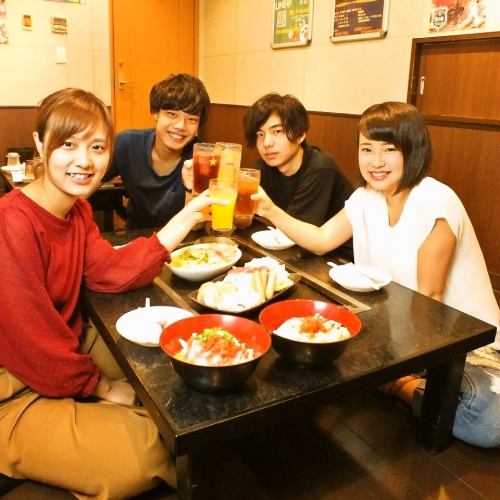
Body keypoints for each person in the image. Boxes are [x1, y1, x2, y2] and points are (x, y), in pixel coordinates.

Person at [0, 88, 221, 498]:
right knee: (150, 447)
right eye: (68, 144)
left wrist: (188, 216)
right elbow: (33, 343)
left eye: (97, 147)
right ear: (39, 144)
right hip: (13, 388)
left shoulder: (77, 210)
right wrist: (102, 388)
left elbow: (109, 272)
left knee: (161, 369)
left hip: (62, 351)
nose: (85, 161)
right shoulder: (12, 223)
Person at [255, 101, 500, 448]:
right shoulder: (365, 197)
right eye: (367, 149)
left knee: (486, 422)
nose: (376, 162)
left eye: (390, 150)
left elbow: (430, 300)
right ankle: (414, 390)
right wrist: (269, 209)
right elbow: (322, 239)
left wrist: (396, 367)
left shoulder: (436, 201)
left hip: (464, 347)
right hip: (399, 335)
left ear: (413, 150)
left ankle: (401, 386)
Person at [104, 73, 210, 229]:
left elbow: (198, 226)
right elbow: (90, 182)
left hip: (184, 240)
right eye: (172, 114)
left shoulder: (203, 158)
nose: (181, 126)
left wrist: (190, 189)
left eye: (192, 119)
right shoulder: (126, 144)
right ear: (155, 112)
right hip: (137, 237)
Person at [244, 93, 354, 227]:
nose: (266, 143)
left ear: (300, 135)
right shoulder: (263, 167)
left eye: (277, 131)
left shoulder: (321, 168)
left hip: (340, 241)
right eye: (260, 134)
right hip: (289, 238)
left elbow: (302, 231)